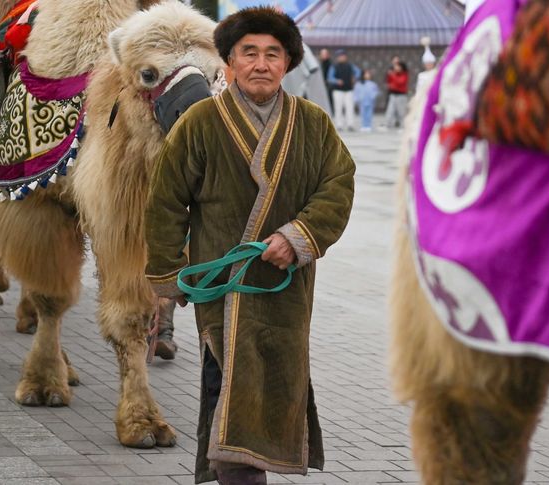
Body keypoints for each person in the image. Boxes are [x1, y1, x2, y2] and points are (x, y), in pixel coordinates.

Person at [144, 7, 355, 484]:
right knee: (225, 384)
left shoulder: (314, 124)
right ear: (230, 63)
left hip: (286, 290)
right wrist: (165, 273)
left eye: (272, 55)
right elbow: (165, 201)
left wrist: (298, 236)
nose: (261, 64)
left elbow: (338, 185)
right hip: (223, 290)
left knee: (276, 385)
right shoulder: (200, 122)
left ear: (287, 63)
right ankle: (236, 472)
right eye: (249, 53)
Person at [326, 49, 360, 131]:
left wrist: (355, 78)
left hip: (349, 90)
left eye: (343, 56)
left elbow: (358, 72)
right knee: (338, 108)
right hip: (338, 90)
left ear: (345, 57)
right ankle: (339, 125)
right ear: (337, 57)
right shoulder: (334, 67)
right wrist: (337, 81)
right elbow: (330, 78)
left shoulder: (350, 66)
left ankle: (350, 124)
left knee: (350, 108)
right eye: (340, 56)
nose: (341, 58)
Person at [384, 59, 409, 130]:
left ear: (401, 67)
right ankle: (387, 124)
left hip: (401, 96)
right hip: (393, 94)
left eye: (397, 66)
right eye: (395, 66)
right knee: (390, 110)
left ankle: (403, 126)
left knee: (402, 112)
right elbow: (389, 82)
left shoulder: (405, 74)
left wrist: (392, 75)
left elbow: (400, 82)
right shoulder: (393, 73)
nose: (396, 68)